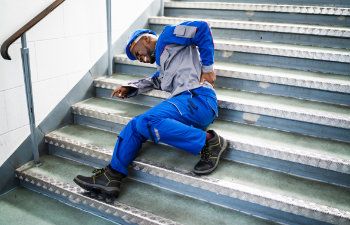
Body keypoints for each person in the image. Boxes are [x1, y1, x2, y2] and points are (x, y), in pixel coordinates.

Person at [74, 21, 227, 197]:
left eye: (137, 53)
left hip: (198, 98)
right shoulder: (163, 65)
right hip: (185, 105)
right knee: (135, 125)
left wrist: (208, 68)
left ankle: (209, 141)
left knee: (147, 120)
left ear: (145, 39)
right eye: (138, 59)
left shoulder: (168, 35)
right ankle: (111, 177)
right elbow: (155, 80)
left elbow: (201, 29)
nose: (141, 59)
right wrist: (130, 87)